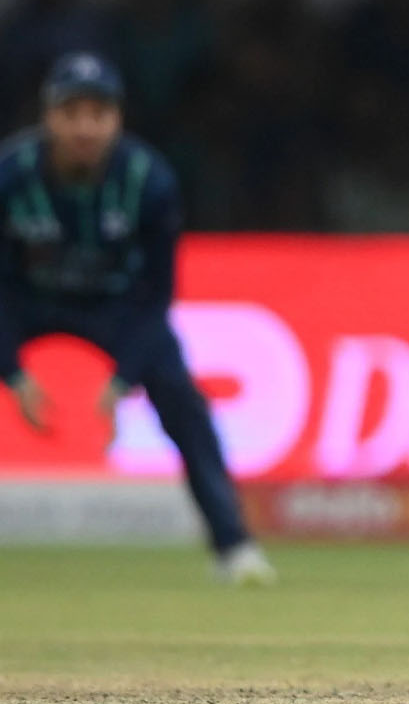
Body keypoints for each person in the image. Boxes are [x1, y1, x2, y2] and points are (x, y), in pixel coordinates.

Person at [0, 52, 276, 587]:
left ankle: (234, 545)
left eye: (98, 113)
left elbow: (156, 297)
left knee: (183, 402)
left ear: (117, 119)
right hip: (25, 301)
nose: (84, 127)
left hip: (118, 307)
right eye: (71, 112)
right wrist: (12, 371)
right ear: (48, 118)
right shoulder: (10, 176)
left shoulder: (150, 182)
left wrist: (124, 377)